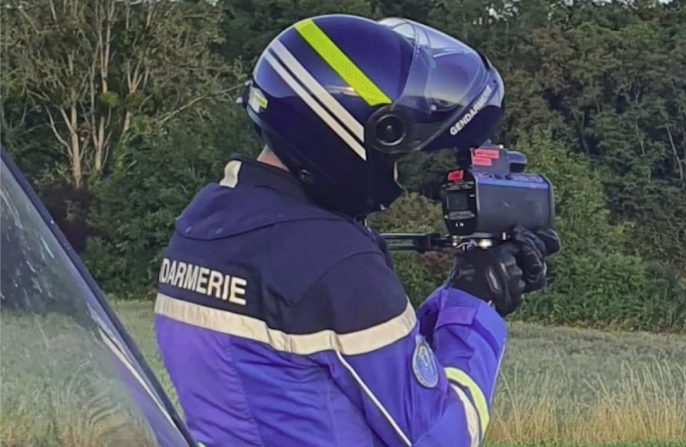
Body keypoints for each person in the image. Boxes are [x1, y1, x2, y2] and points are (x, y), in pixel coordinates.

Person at [153, 14, 560, 447]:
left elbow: (351, 363)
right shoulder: (334, 260)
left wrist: (465, 285)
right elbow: (441, 435)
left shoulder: (206, 222)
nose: (400, 174)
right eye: (400, 156)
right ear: (354, 137)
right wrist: (478, 307)